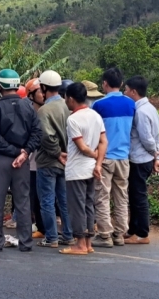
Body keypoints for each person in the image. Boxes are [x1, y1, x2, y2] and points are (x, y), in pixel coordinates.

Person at [0, 69, 42, 252]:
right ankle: (25, 242)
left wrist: (15, 151)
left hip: (1, 160)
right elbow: (37, 133)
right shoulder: (29, 107)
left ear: (0, 86)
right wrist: (24, 152)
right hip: (22, 161)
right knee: (23, 201)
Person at [60, 82, 108, 255]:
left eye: (66, 98)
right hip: (91, 170)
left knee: (77, 206)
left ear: (71, 99)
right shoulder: (95, 115)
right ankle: (88, 243)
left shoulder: (73, 119)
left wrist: (94, 156)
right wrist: (98, 164)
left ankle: (79, 244)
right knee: (89, 205)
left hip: (77, 170)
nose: (65, 101)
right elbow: (104, 142)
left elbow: (81, 147)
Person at [91, 68, 136, 248]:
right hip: (124, 157)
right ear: (122, 84)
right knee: (121, 196)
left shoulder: (99, 105)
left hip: (106, 157)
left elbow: (96, 134)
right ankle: (119, 233)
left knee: (102, 196)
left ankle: (104, 235)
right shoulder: (131, 104)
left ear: (104, 84)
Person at [34, 70, 74, 248]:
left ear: (43, 87)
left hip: (49, 161)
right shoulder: (67, 106)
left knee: (47, 201)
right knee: (64, 200)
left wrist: (57, 153)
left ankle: (51, 237)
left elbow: (46, 137)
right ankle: (68, 234)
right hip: (66, 161)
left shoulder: (44, 110)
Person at [123, 75, 159, 244]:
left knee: (138, 197)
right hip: (146, 158)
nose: (124, 92)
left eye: (126, 90)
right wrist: (157, 157)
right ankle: (133, 230)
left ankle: (142, 234)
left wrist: (154, 154)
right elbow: (157, 136)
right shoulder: (151, 108)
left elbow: (147, 139)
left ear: (133, 91)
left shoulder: (140, 111)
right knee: (135, 195)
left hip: (140, 159)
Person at [25, 77, 46, 238]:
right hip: (32, 161)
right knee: (36, 196)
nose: (43, 94)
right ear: (31, 94)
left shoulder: (49, 110)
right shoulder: (29, 113)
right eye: (40, 91)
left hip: (47, 159)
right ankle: (40, 226)